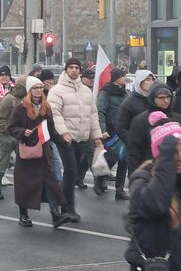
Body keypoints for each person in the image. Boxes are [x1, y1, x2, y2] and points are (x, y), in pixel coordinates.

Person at [7, 77, 71, 228]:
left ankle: (56, 215)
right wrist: (23, 132)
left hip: (43, 153)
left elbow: (51, 131)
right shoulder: (21, 108)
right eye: (35, 88)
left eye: (41, 88)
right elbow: (11, 127)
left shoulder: (46, 108)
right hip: (27, 154)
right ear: (29, 90)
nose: (38, 91)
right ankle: (23, 215)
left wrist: (64, 141)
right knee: (25, 185)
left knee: (51, 183)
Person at [124, 113, 181, 270]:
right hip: (156, 265)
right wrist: (166, 162)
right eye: (173, 152)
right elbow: (156, 204)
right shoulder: (142, 180)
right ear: (161, 155)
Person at [48, 58, 105, 222]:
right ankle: (67, 208)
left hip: (82, 138)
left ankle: (57, 205)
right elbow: (55, 114)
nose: (74, 70)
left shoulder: (86, 91)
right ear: (66, 70)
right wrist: (64, 132)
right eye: (71, 67)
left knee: (71, 174)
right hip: (65, 139)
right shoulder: (57, 90)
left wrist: (97, 138)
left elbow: (93, 115)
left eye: (76, 68)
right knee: (71, 171)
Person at [127, 82, 181, 176]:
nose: (166, 101)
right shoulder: (140, 121)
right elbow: (134, 151)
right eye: (161, 97)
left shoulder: (178, 119)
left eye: (168, 97)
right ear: (153, 99)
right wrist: (134, 176)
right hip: (150, 172)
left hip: (176, 172)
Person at [0, 76, 28, 199]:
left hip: (20, 136)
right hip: (8, 136)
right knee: (3, 164)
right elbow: (0, 119)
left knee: (25, 164)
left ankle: (24, 188)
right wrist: (8, 131)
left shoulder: (25, 99)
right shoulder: (8, 99)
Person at [96, 68, 129, 200]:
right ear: (116, 78)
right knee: (111, 158)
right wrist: (103, 130)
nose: (125, 78)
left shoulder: (125, 92)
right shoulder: (106, 93)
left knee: (123, 160)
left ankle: (119, 190)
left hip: (123, 130)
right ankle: (100, 178)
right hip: (110, 131)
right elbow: (100, 111)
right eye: (123, 76)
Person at [117, 70, 155, 173]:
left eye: (152, 79)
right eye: (147, 79)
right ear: (140, 82)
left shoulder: (154, 101)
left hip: (153, 151)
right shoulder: (128, 103)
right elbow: (121, 127)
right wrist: (133, 142)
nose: (151, 82)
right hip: (136, 153)